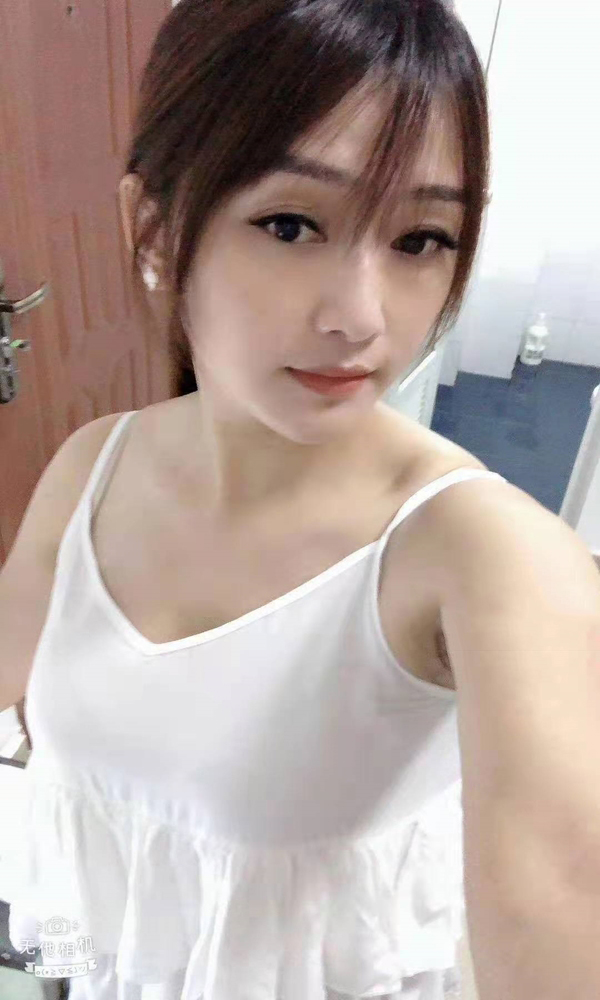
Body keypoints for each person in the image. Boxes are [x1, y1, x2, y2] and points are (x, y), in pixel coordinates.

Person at [4, 2, 600, 999]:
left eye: (421, 239)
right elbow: (39, 735)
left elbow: (559, 899)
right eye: (291, 224)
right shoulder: (92, 465)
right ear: (153, 230)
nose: (361, 317)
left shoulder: (489, 557)